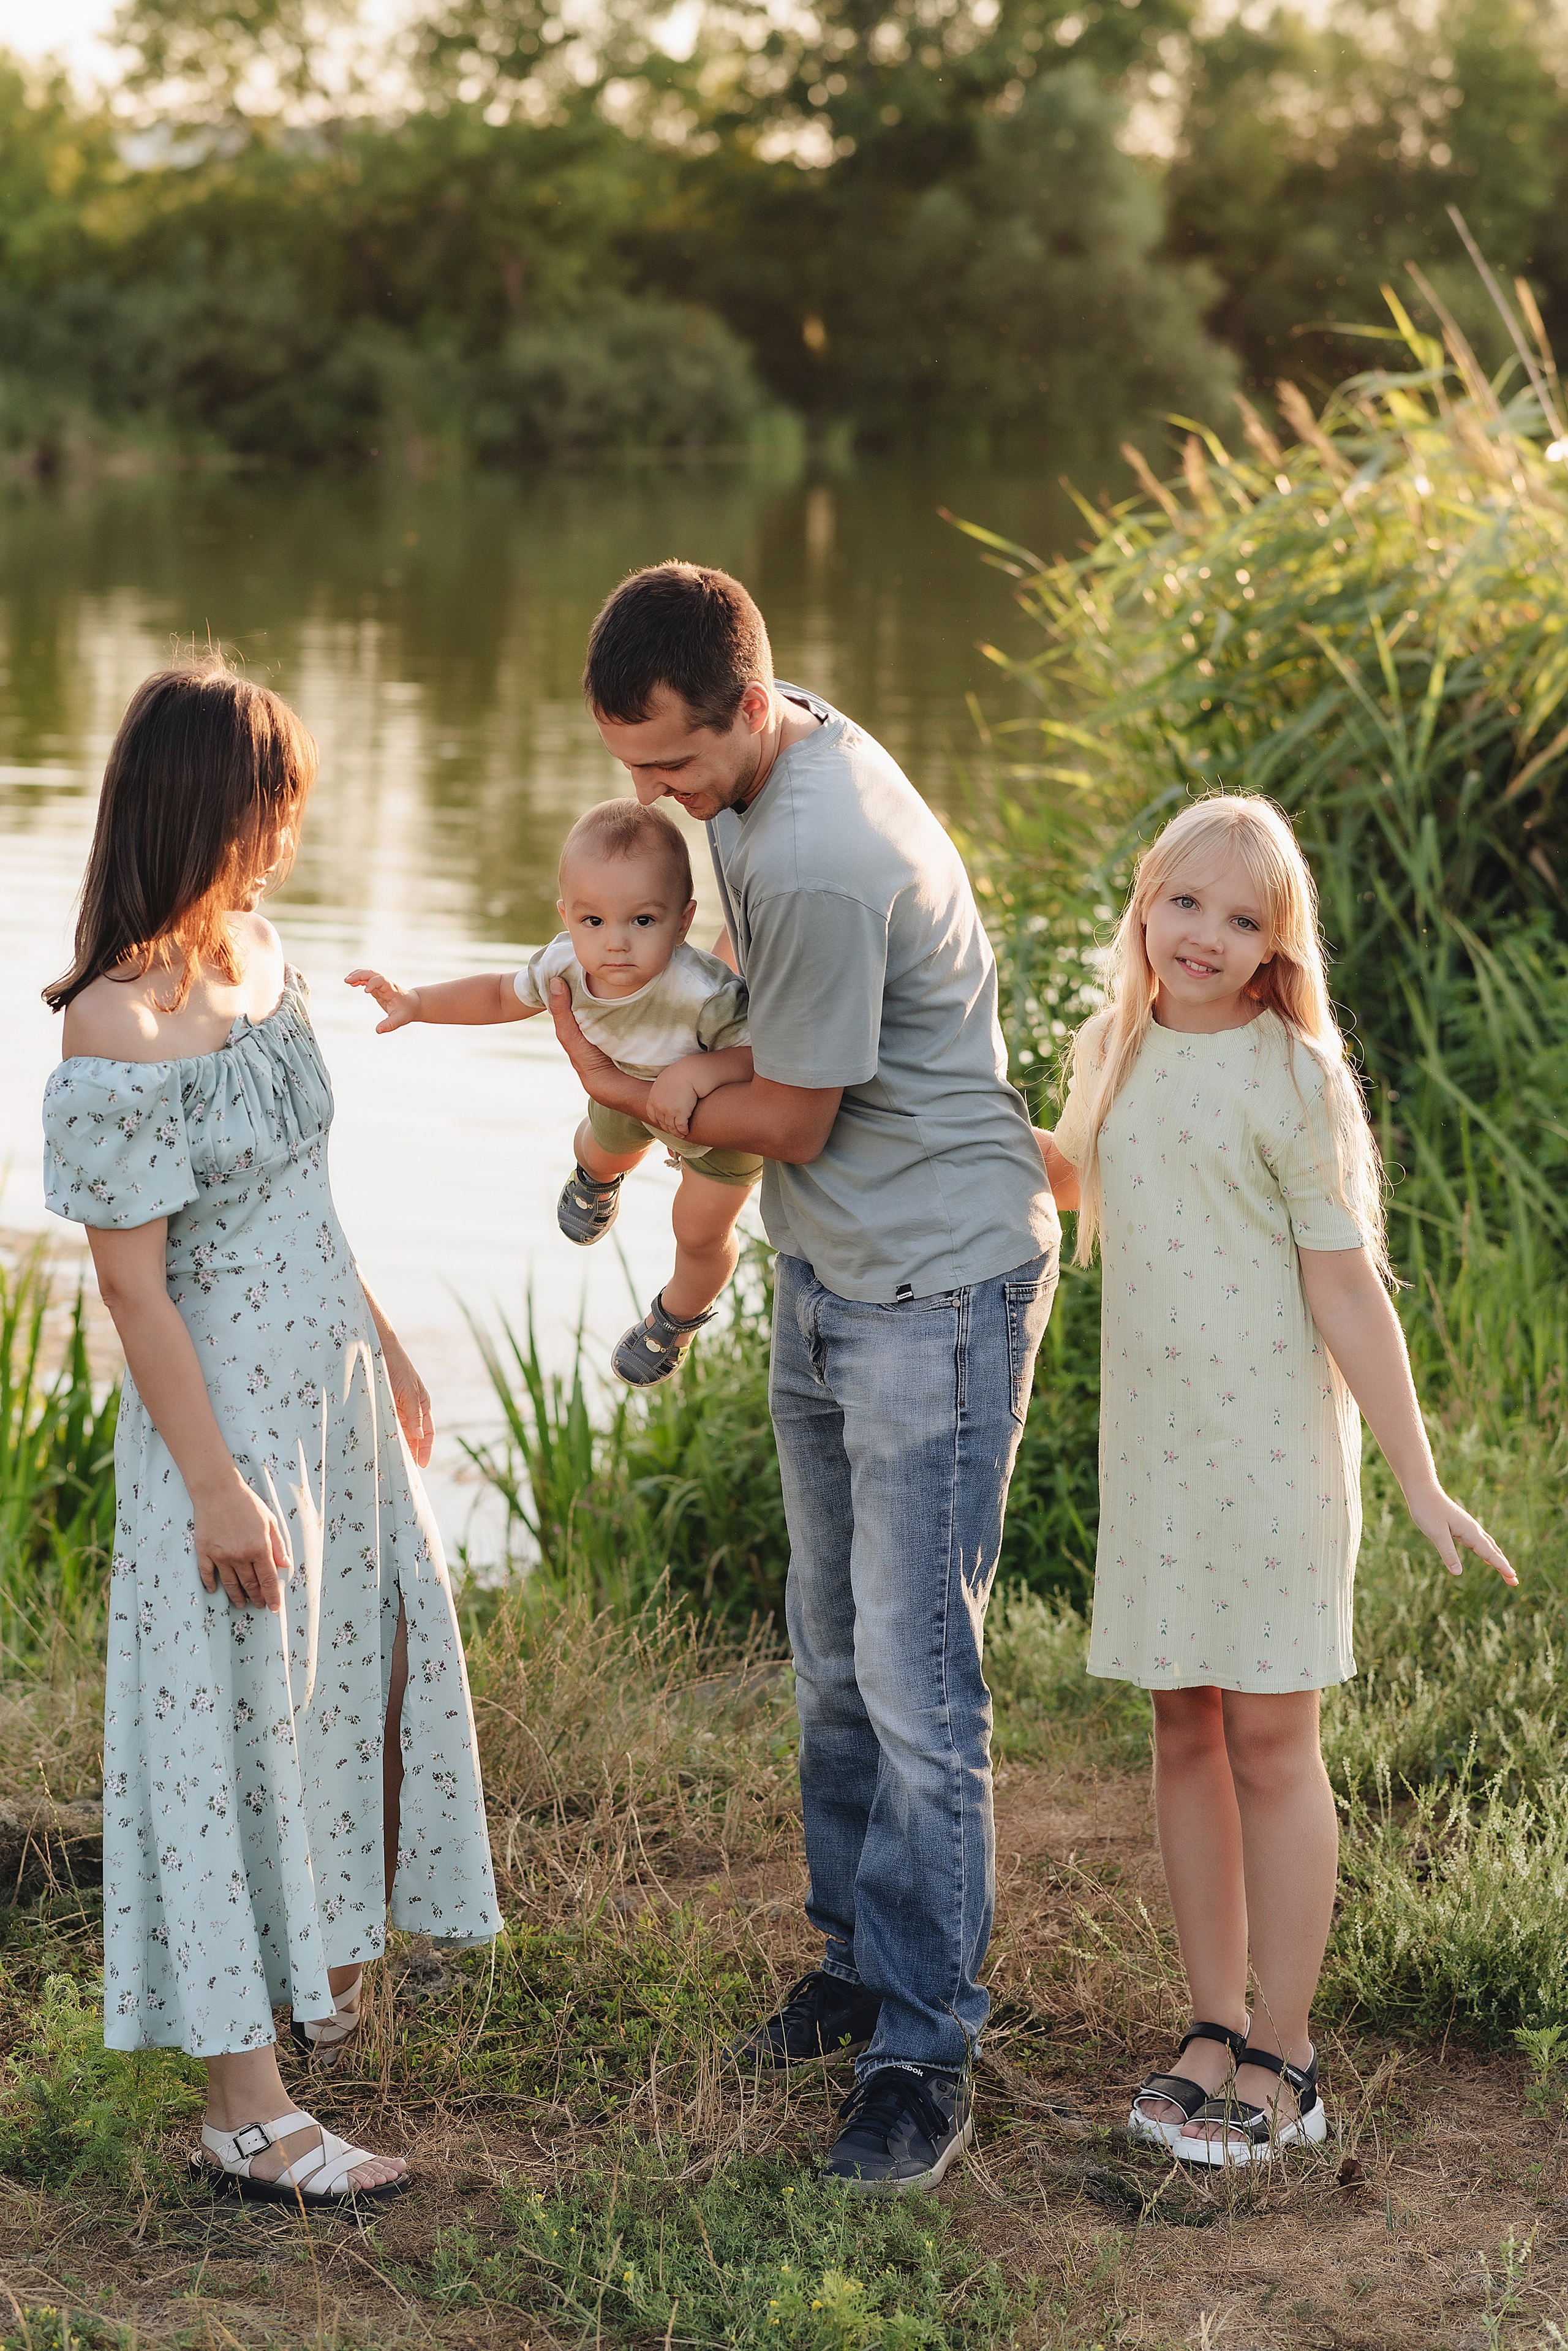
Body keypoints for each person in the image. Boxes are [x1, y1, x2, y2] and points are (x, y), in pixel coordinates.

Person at [549, 560, 1060, 2195]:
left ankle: (923, 2045)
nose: (657, 800)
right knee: (832, 1656)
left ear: (750, 706)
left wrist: (627, 1081)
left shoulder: (823, 853)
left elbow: (790, 1117)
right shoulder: (759, 771)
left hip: (935, 1285)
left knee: (917, 1681)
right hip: (833, 1273)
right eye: (633, 767)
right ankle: (856, 1958)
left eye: (675, 764)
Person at [41, 658, 500, 2210]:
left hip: (332, 1395)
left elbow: (305, 1190)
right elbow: (133, 1286)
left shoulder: (263, 951)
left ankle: (321, 1968)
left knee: (359, 1674)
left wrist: (387, 1344)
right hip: (225, 1422)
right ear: (202, 809)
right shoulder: (114, 1025)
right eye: (268, 812)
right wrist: (214, 1486)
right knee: (225, 1729)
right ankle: (244, 2109)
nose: (284, 842)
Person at [1038, 793, 1515, 2167]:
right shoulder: (1114, 1045)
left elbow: (1347, 1287)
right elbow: (1075, 1176)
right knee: (1180, 1724)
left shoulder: (1296, 1076)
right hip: (1156, 1451)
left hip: (1269, 1456)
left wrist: (1419, 1477)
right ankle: (1212, 2021)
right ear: (1144, 902)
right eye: (1182, 901)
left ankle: (1288, 2058)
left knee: (1267, 1738)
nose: (1203, 933)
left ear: (1274, 945)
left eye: (1240, 917)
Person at [346, 798, 760, 1386]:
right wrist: (416, 1003)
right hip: (627, 1088)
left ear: (683, 920)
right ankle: (598, 1179)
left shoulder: (706, 992)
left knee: (697, 1232)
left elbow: (762, 1060)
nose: (616, 944)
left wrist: (700, 1073)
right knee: (599, 1146)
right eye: (594, 921)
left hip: (721, 1123)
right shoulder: (564, 966)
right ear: (567, 915)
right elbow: (498, 995)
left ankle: (676, 1317)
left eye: (643, 921)